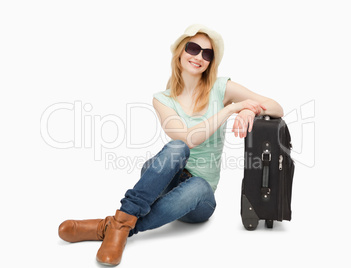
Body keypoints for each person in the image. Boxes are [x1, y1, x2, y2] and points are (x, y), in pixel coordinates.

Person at [58, 24, 283, 266]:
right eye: (193, 48)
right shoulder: (162, 99)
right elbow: (187, 139)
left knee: (197, 185)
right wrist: (231, 109)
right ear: (179, 51)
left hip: (199, 198)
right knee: (177, 147)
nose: (199, 57)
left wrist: (248, 109)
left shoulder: (221, 87)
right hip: (165, 179)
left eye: (207, 54)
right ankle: (121, 224)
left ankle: (115, 226)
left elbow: (276, 107)